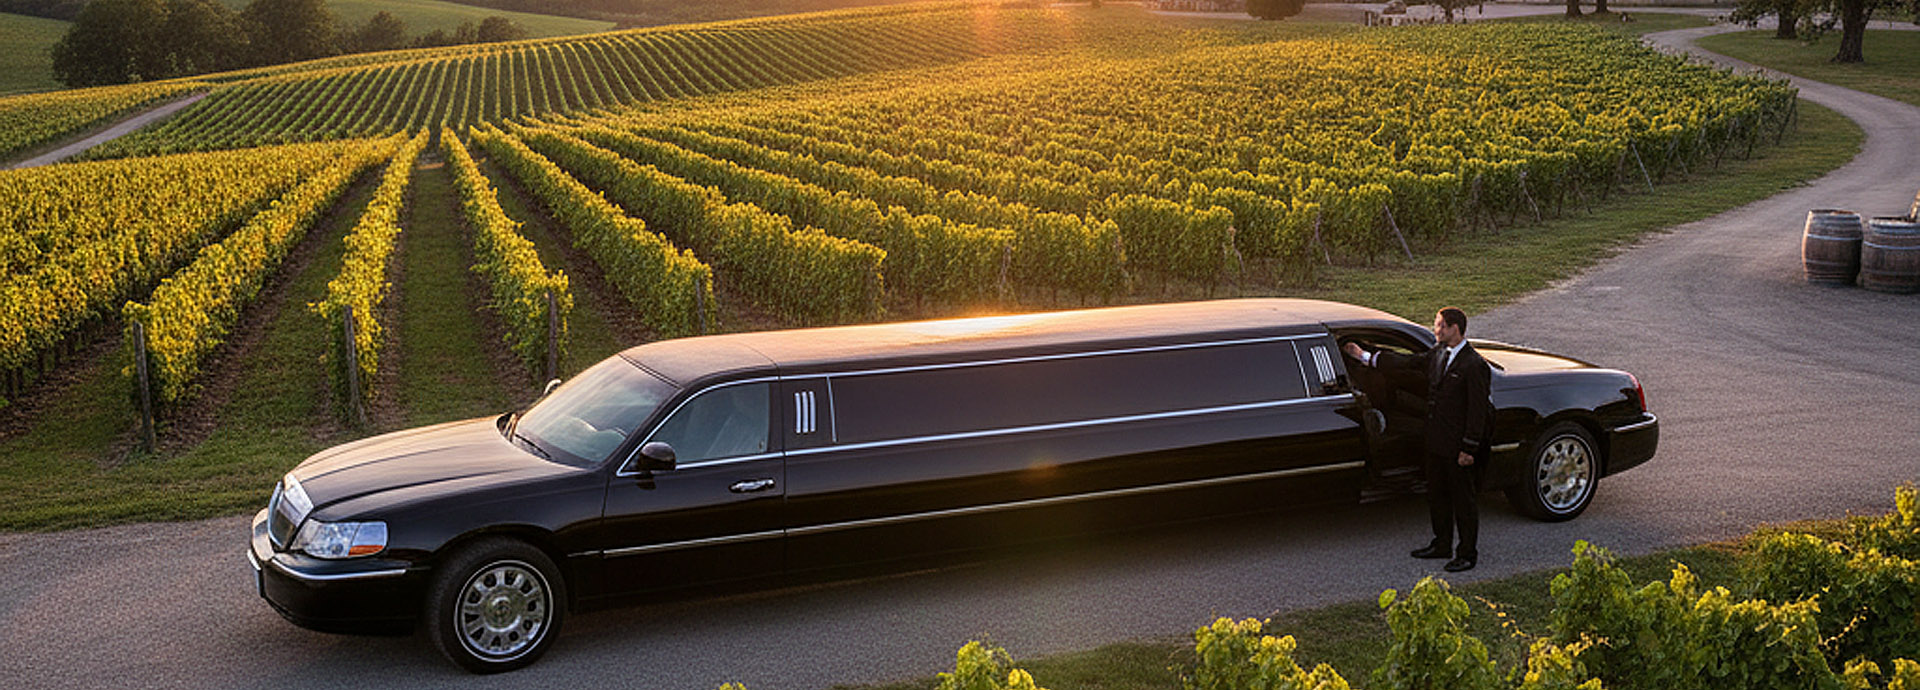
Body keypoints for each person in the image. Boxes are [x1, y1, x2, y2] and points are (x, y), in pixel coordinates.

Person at [1342, 307, 1492, 572]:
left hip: (1458, 447)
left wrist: (1469, 448)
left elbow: (1478, 411)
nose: (1436, 330)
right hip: (1435, 442)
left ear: (1454, 328)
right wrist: (1363, 356)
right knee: (1437, 496)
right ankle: (1441, 544)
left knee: (1463, 502)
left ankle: (1467, 554)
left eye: (1440, 325)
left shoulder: (1474, 365)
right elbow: (1406, 363)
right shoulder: (1438, 353)